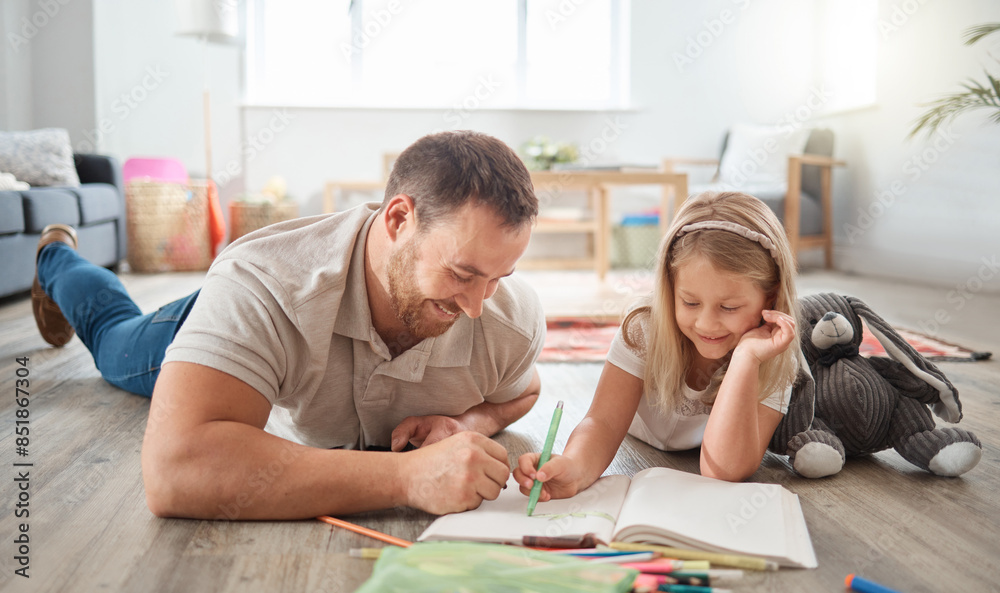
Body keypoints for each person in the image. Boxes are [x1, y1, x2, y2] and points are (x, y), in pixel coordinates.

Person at [31, 130, 546, 519]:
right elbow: (174, 470)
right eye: (462, 274)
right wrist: (405, 478)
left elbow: (524, 391)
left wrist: (469, 424)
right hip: (234, 328)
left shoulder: (509, 321)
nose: (478, 304)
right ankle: (57, 258)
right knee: (115, 340)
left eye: (499, 277)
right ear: (397, 220)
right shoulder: (262, 283)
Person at [514, 191, 801, 503]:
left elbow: (724, 470)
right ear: (670, 288)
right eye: (690, 302)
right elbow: (604, 422)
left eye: (729, 307)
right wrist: (574, 466)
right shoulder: (644, 328)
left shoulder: (775, 359)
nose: (706, 323)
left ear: (769, 299)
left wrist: (746, 359)